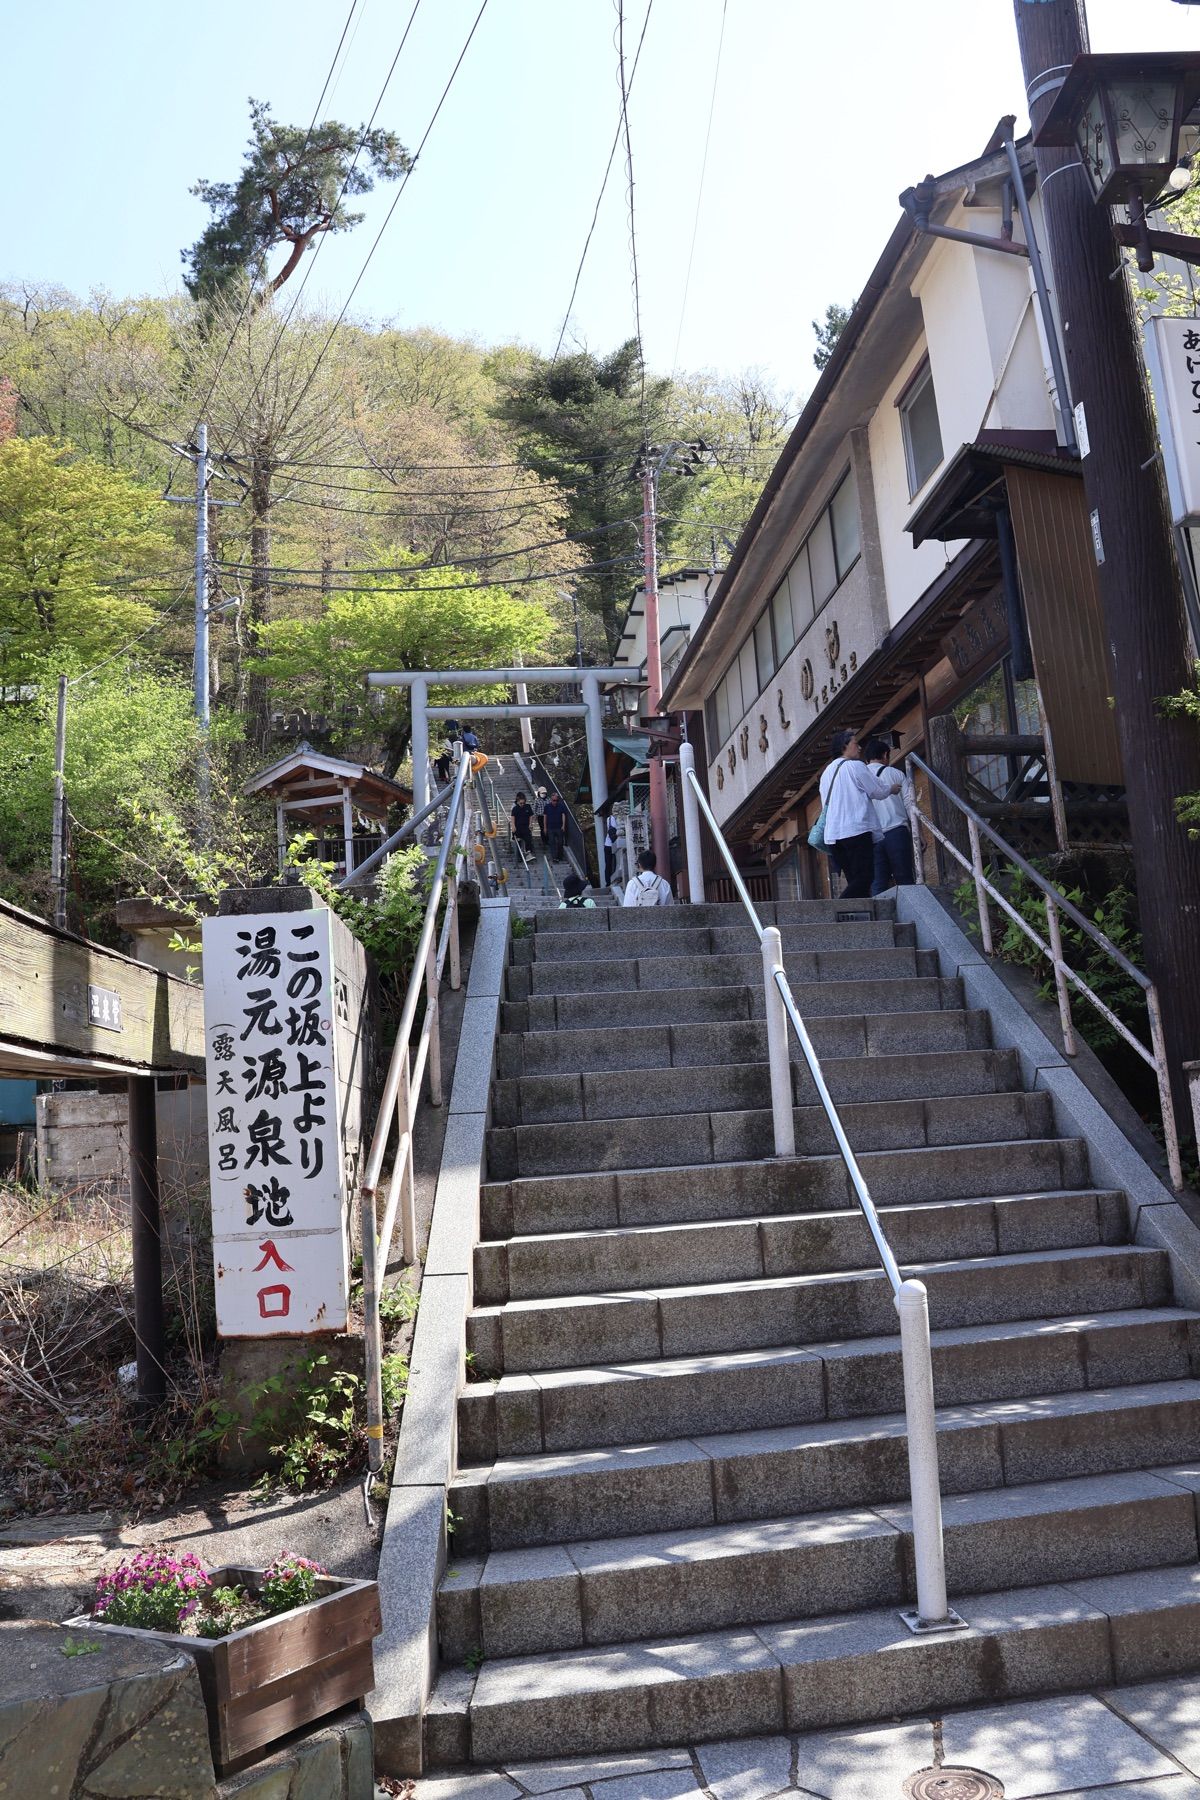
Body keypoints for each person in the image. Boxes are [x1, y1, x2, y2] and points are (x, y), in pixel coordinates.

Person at [817, 728, 905, 899]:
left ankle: (858, 920)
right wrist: (891, 789)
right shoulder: (855, 766)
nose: (859, 748)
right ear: (845, 746)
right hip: (856, 830)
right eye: (855, 744)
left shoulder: (826, 772)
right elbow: (877, 791)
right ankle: (838, 907)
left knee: (855, 880)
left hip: (834, 836)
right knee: (865, 877)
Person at [861, 734, 915, 893]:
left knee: (877, 882)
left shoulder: (860, 777)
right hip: (897, 832)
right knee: (905, 878)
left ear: (867, 759)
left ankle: (880, 915)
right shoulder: (896, 774)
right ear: (885, 755)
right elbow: (909, 803)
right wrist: (919, 832)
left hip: (872, 836)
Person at [544, 791, 568, 861]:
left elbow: (563, 815)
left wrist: (563, 825)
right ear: (551, 800)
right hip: (550, 827)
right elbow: (545, 817)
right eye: (554, 800)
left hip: (559, 827)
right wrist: (545, 827)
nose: (555, 802)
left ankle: (559, 856)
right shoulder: (547, 807)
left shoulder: (561, 806)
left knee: (560, 842)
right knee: (552, 842)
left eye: (557, 800)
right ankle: (554, 857)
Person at [602, 808, 621, 885]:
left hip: (608, 844)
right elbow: (612, 831)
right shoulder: (612, 818)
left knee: (608, 864)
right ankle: (609, 881)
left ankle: (608, 882)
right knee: (612, 863)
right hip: (610, 845)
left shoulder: (609, 819)